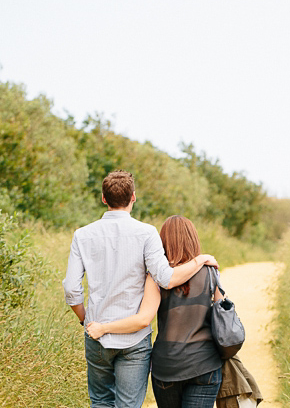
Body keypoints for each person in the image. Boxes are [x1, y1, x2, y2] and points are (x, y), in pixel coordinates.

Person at [63, 170, 219, 408]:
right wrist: (200, 260)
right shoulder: (147, 233)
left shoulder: (82, 235)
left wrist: (86, 320)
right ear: (133, 197)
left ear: (103, 198)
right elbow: (166, 278)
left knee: (101, 402)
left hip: (96, 335)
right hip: (133, 340)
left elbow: (72, 289)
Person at [87, 215, 225, 408]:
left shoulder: (156, 278)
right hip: (205, 365)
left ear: (163, 242)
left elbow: (143, 319)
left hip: (168, 367)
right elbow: (223, 317)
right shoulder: (211, 272)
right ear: (194, 240)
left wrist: (103, 328)